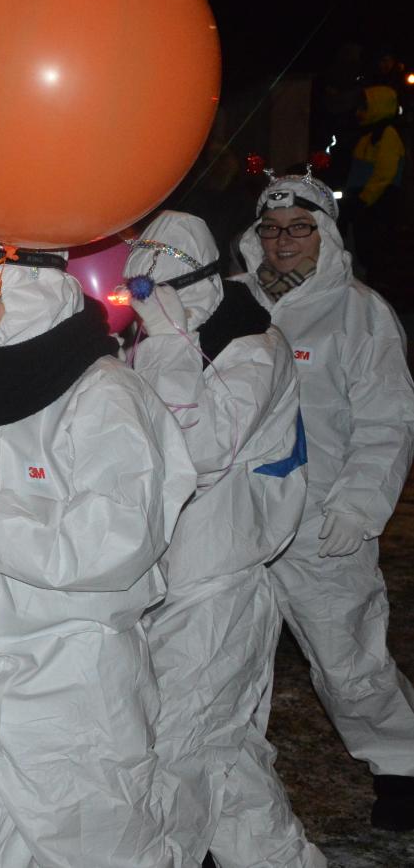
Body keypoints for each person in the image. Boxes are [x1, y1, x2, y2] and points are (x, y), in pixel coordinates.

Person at [0, 235, 195, 867]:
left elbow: (119, 542)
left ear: (32, 288)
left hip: (76, 684)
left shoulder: (104, 395)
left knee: (105, 854)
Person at [122, 211, 323, 867]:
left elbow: (197, 449)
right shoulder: (154, 343)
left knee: (174, 750)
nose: (143, 304)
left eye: (159, 289)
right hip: (162, 581)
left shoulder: (250, 348)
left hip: (219, 584)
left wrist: (167, 346)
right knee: (221, 752)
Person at [234, 167, 414, 831]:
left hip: (320, 520)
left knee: (347, 659)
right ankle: (226, 782)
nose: (283, 241)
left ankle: (401, 762)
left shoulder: (358, 311)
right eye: (272, 229)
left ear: (324, 235)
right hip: (238, 520)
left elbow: (386, 417)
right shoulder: (234, 302)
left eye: (299, 228)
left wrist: (358, 507)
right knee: (224, 658)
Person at [343, 85, 405, 286]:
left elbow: (384, 174)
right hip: (365, 204)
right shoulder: (368, 136)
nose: (359, 113)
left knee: (375, 256)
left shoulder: (387, 135)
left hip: (378, 205)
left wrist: (363, 199)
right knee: (362, 253)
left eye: (364, 108)